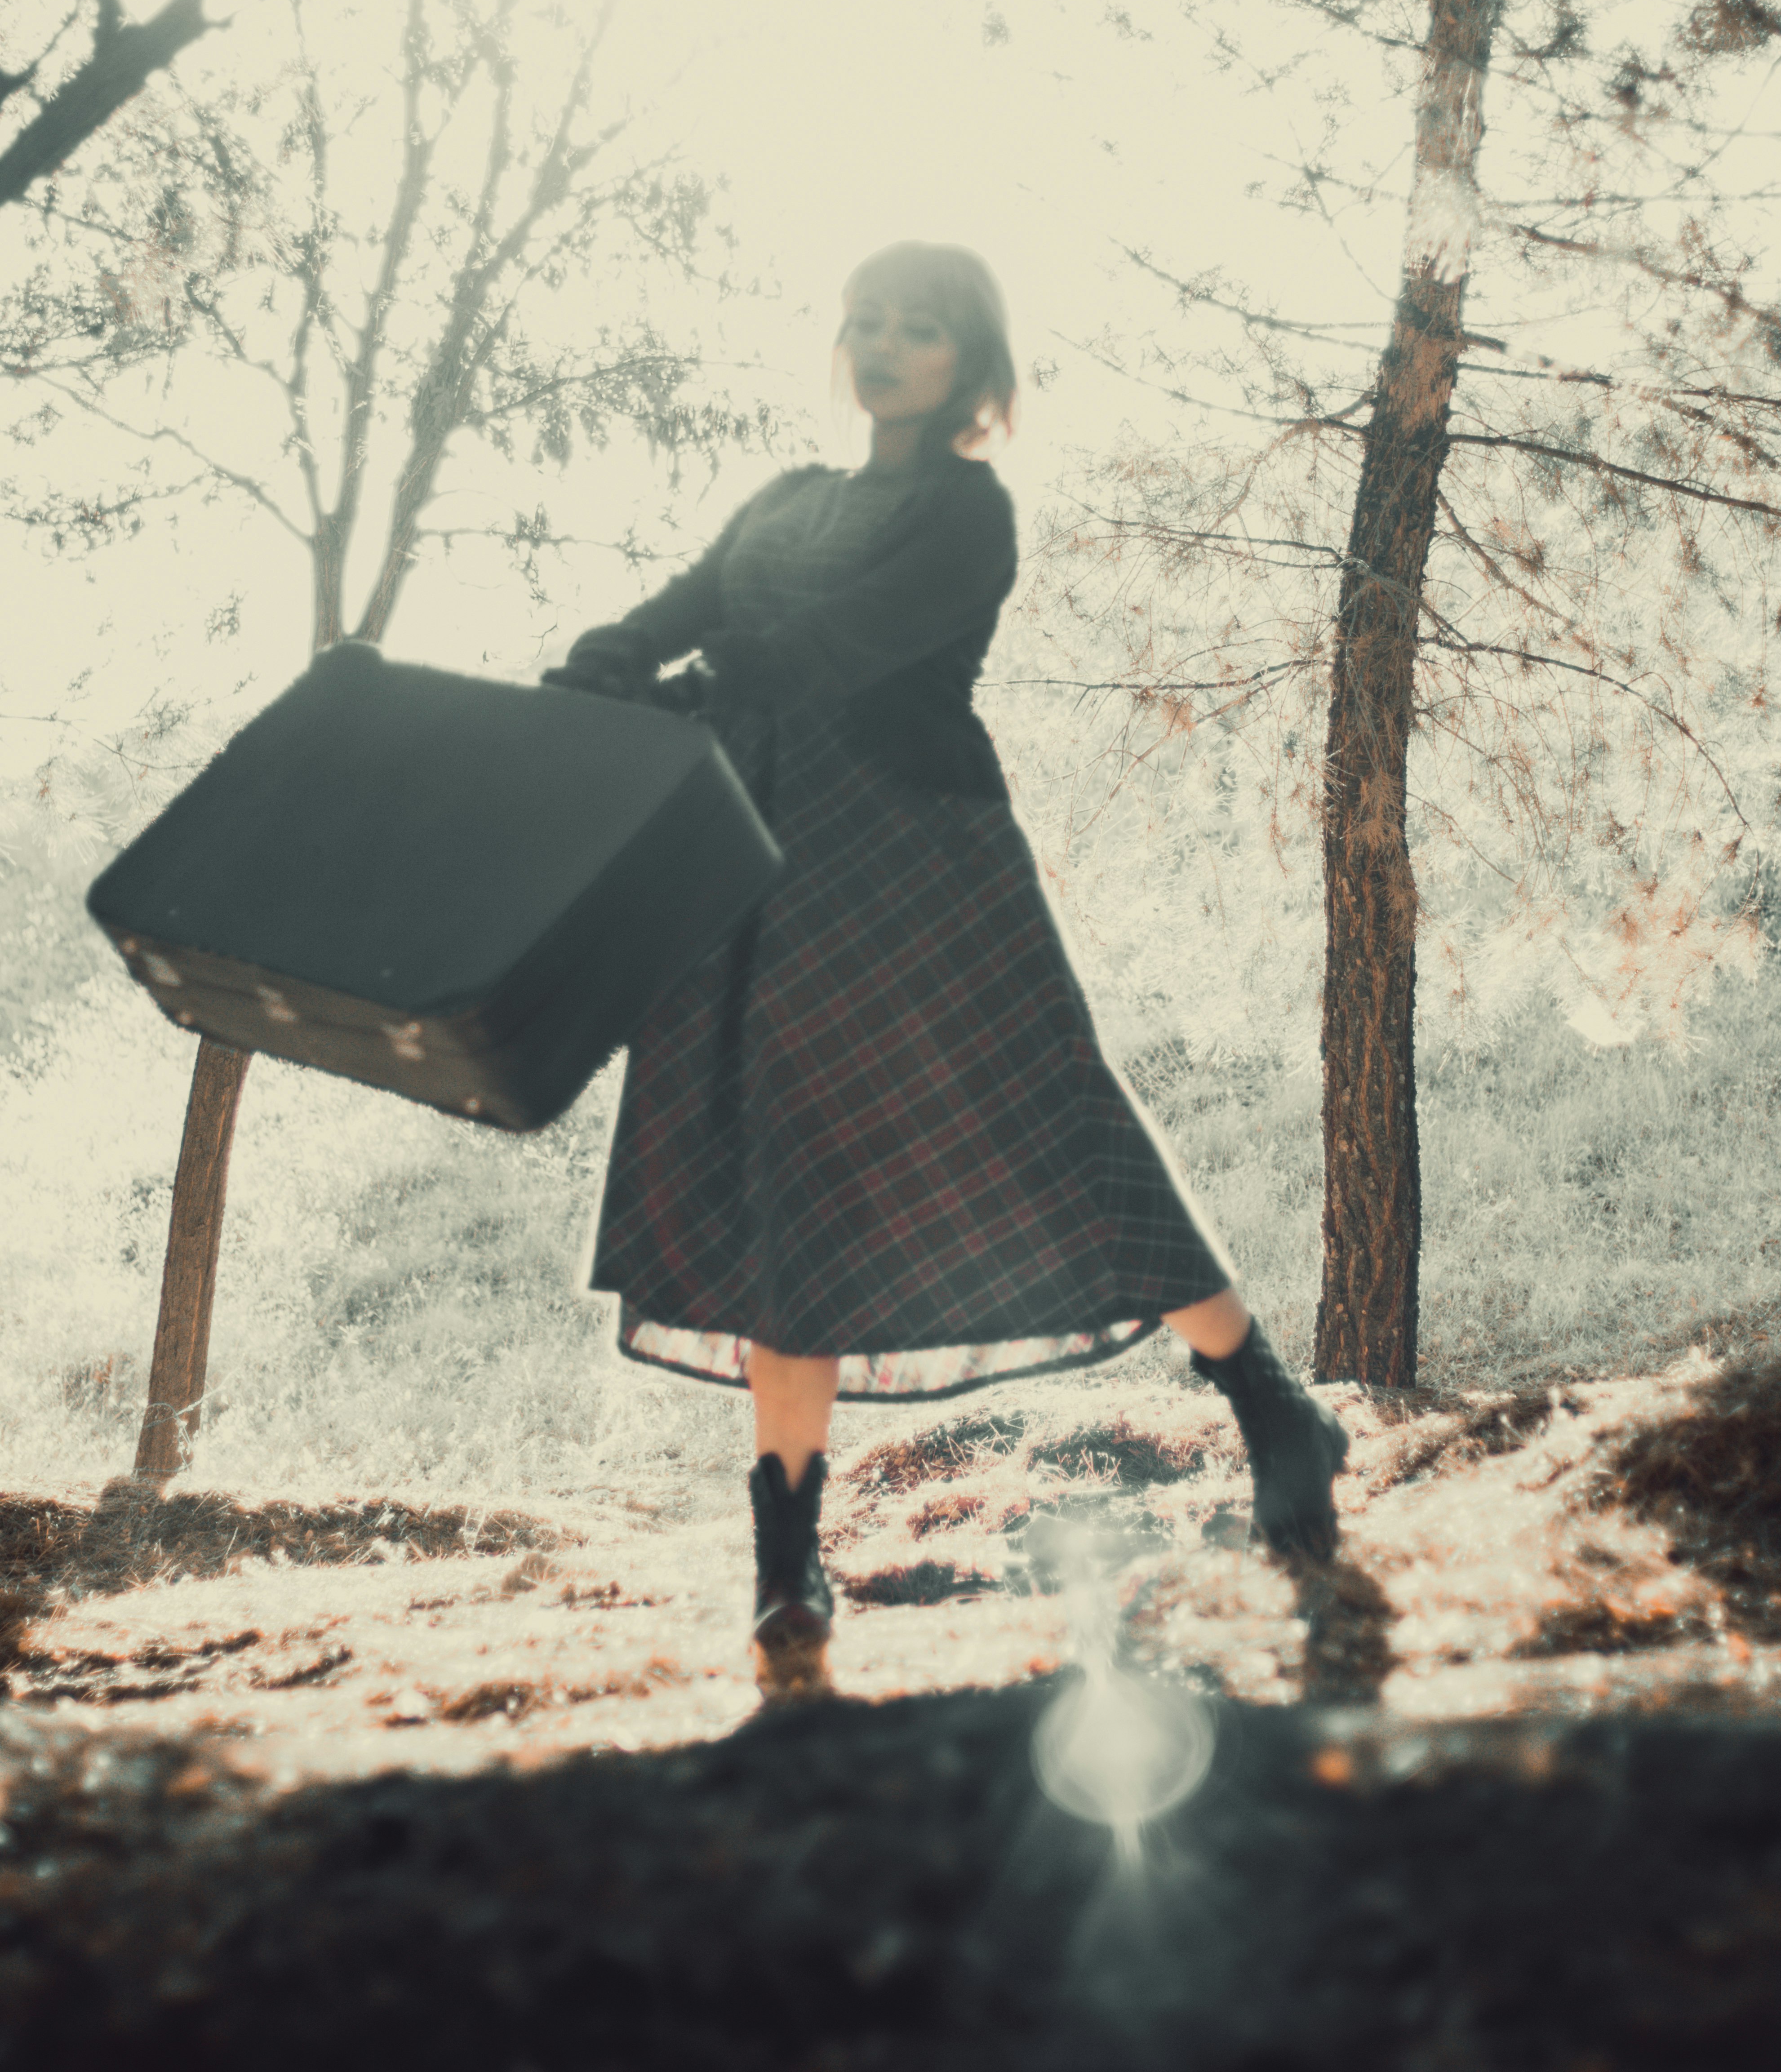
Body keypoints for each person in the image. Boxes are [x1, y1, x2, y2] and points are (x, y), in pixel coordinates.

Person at [544, 241, 1348, 1697]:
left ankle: (1273, 1407)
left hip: (920, 860)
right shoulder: (786, 498)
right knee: (779, 1162)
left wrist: (683, 680)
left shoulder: (971, 513)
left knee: (1053, 1122)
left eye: (920, 330)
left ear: (970, 367)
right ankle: (787, 1559)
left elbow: (830, 649)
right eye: (867, 321)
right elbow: (686, 606)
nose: (885, 345)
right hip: (751, 860)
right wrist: (606, 660)